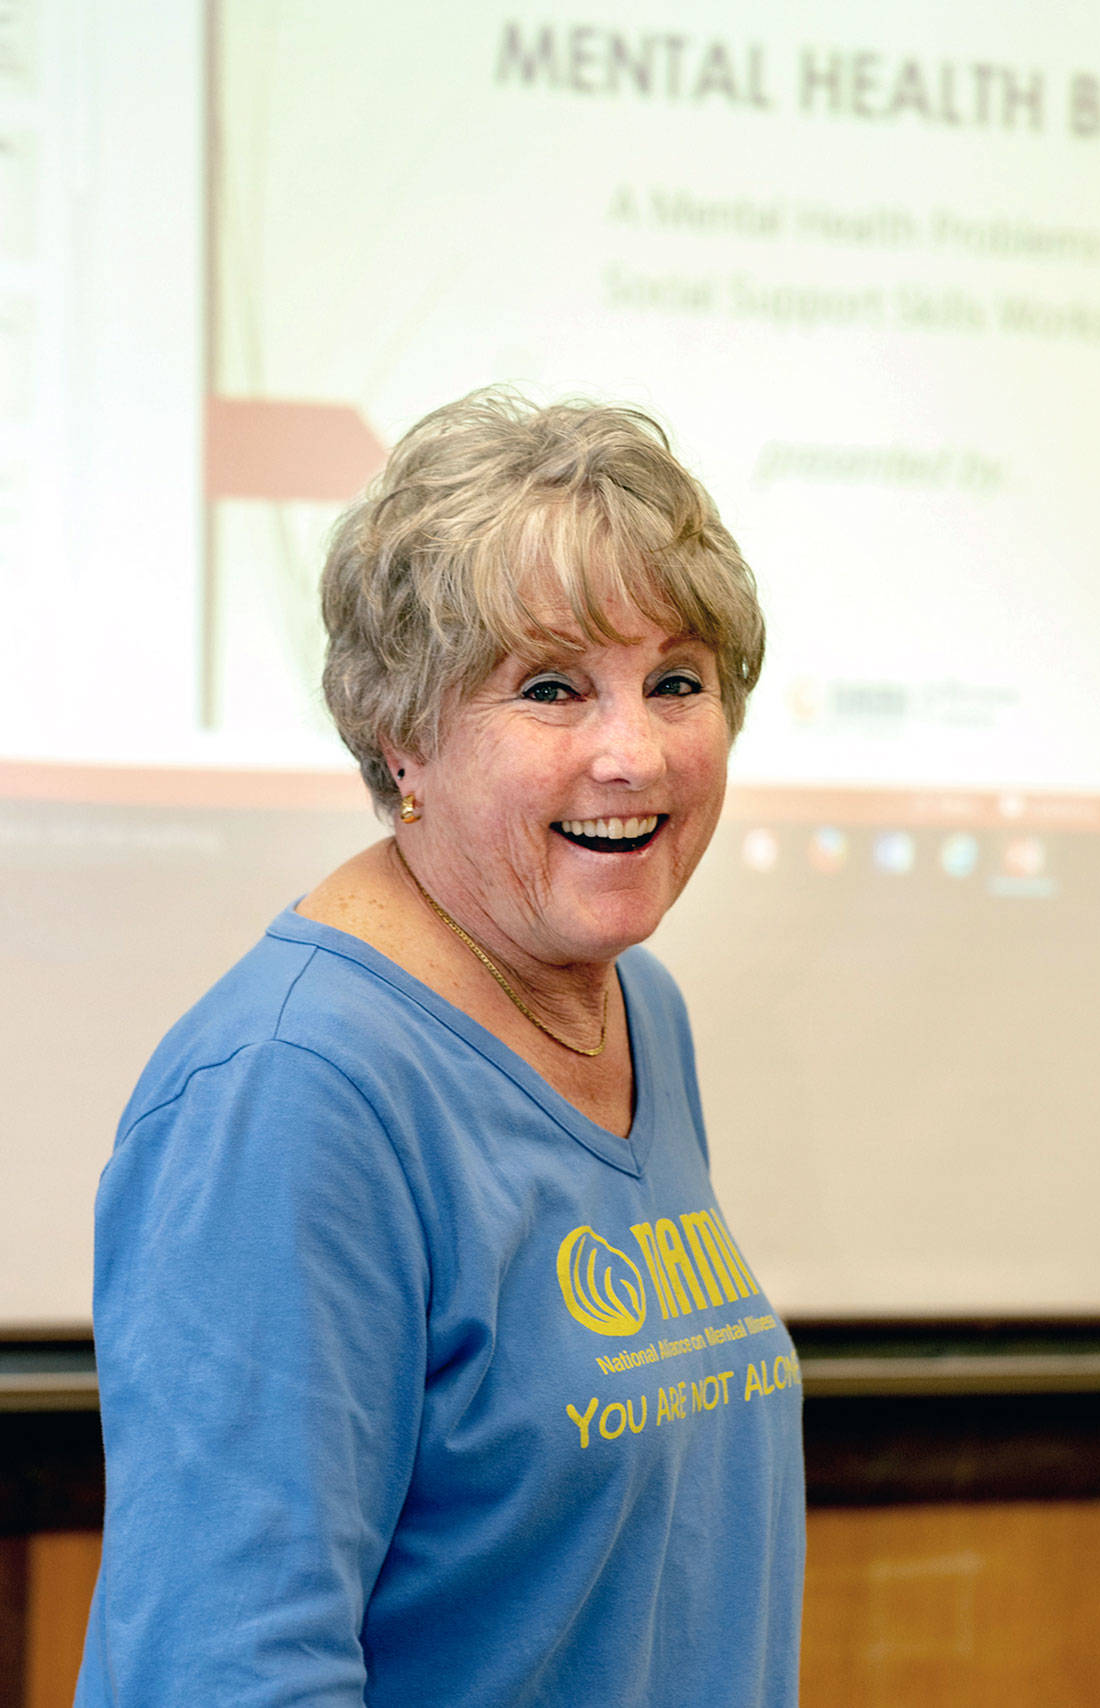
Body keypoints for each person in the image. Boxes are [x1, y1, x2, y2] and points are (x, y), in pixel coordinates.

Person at [75, 389, 805, 1707]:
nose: (632, 752)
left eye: (678, 681)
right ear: (403, 735)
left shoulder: (639, 1011)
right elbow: (227, 1670)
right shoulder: (295, 1093)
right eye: (550, 689)